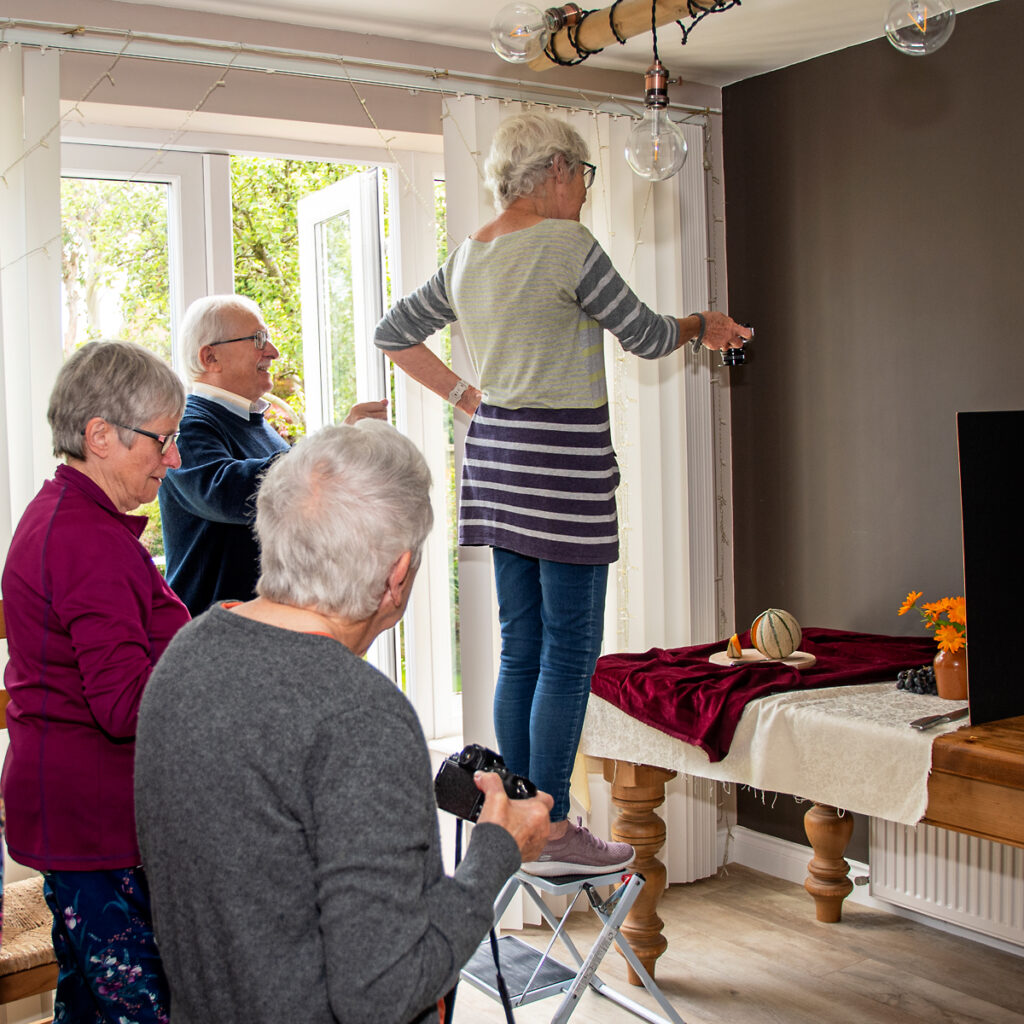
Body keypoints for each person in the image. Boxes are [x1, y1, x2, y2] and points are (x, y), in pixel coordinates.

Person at [375, 112, 753, 876]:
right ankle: (549, 821)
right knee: (570, 650)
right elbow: (646, 335)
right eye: (583, 175)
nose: (584, 190)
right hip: (563, 463)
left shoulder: (470, 254)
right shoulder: (568, 245)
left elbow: (394, 329)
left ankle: (516, 810)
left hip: (497, 458)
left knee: (523, 646)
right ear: (554, 170)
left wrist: (463, 395)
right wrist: (700, 323)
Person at [134, 421, 553, 1024]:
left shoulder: (187, 653)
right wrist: (497, 851)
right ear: (397, 575)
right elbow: (384, 991)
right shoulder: (361, 716)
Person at [1, 341, 190, 1023]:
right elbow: (122, 704)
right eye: (163, 439)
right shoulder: (84, 538)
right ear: (100, 436)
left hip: (81, 812)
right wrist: (213, 661)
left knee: (87, 1005)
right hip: (92, 821)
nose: (173, 458)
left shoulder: (75, 516)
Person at [158, 294, 388, 616]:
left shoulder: (257, 426)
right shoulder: (188, 425)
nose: (273, 351)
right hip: (218, 642)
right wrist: (331, 444)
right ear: (210, 357)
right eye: (258, 339)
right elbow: (228, 493)